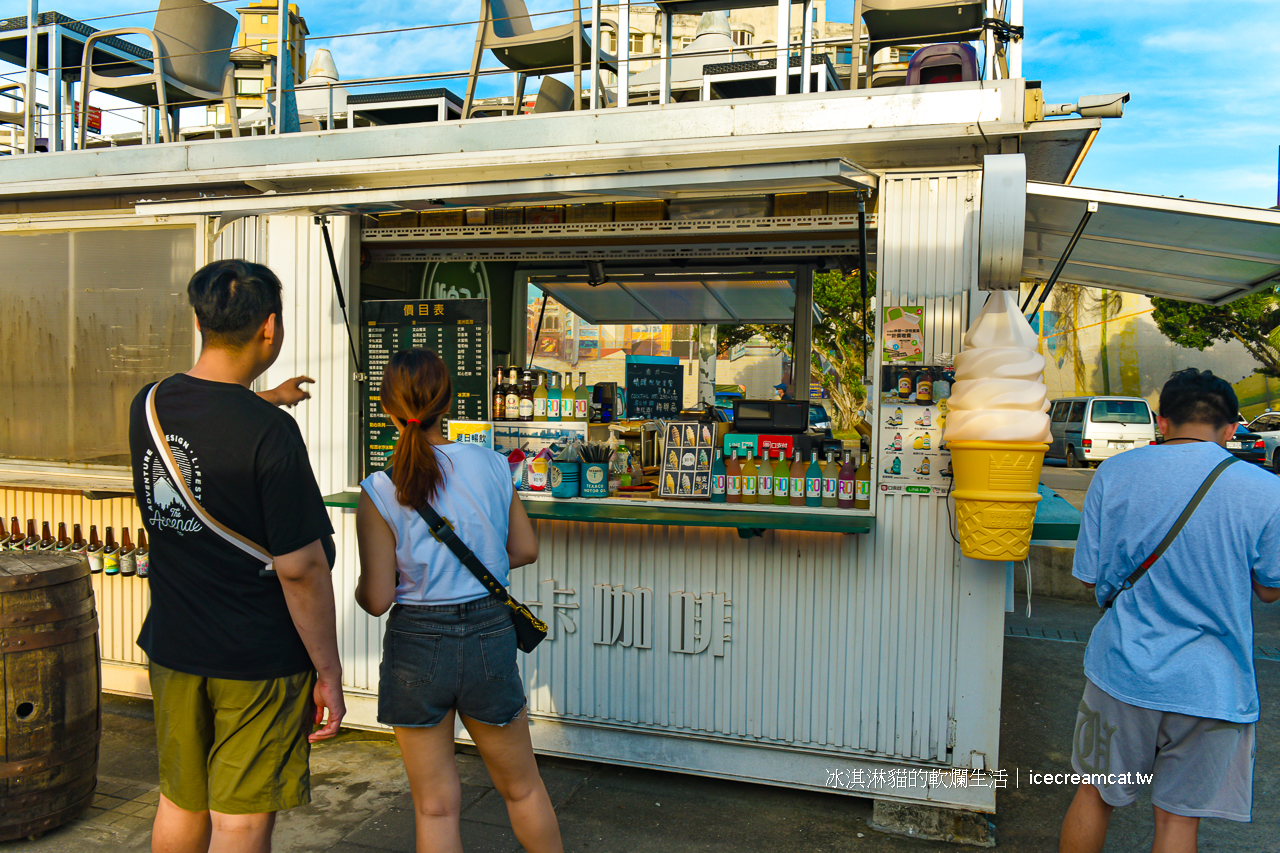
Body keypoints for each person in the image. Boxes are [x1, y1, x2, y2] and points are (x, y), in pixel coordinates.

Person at [129, 259, 345, 853]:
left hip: (174, 645)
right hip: (257, 658)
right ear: (269, 328)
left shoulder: (147, 406)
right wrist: (327, 669)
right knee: (240, 818)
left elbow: (212, 423)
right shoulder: (270, 435)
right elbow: (300, 567)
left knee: (181, 797)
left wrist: (266, 399)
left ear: (199, 320)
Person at [1059, 368, 1280, 853]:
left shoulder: (1115, 472)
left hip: (1124, 671)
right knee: (1178, 822)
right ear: (1230, 429)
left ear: (1161, 422)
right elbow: (1269, 590)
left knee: (1094, 795)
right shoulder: (1266, 491)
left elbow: (1088, 576)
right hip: (1212, 684)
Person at [354, 348, 562, 853]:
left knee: (435, 805)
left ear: (386, 409)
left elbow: (378, 598)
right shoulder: (491, 464)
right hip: (489, 636)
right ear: (448, 403)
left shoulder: (379, 489)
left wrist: (367, 585)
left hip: (417, 645)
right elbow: (525, 550)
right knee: (523, 787)